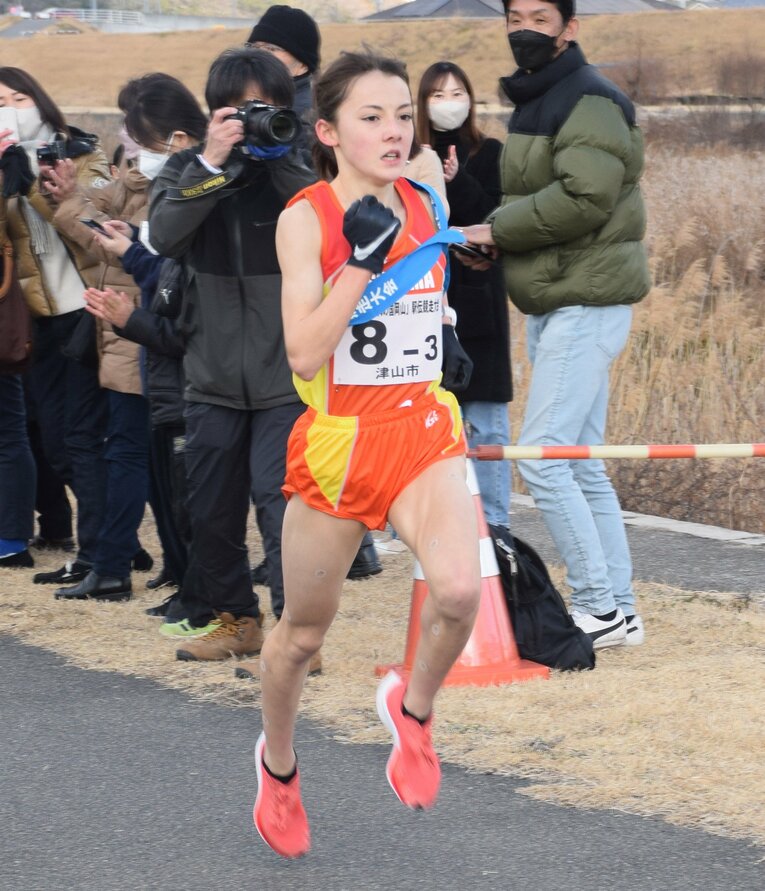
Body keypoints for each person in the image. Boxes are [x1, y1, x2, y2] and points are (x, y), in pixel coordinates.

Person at [253, 50, 482, 859]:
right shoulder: (304, 218)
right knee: (301, 638)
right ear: (327, 131)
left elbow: (433, 279)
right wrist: (359, 257)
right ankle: (278, 765)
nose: (393, 132)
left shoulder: (424, 193)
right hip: (340, 440)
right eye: (370, 117)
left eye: (400, 115)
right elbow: (305, 353)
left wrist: (444, 331)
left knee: (458, 592)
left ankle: (412, 710)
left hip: (420, 426)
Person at [461, 0, 650, 650]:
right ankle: (620, 612)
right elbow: (536, 198)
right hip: (558, 300)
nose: (524, 30)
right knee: (580, 462)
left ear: (570, 27)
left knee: (542, 457)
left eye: (539, 17)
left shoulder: (589, 98)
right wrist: (496, 240)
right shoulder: (539, 100)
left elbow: (585, 196)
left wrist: (497, 228)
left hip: (586, 300)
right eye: (514, 16)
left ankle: (595, 606)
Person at [148, 48, 316, 662]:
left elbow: (333, 224)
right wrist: (213, 164)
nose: (252, 118)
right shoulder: (187, 168)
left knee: (282, 508)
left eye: (264, 105)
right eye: (239, 107)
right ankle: (235, 620)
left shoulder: (299, 167)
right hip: (211, 374)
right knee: (211, 510)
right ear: (215, 110)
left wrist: (276, 162)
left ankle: (297, 635)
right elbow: (164, 234)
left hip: (284, 375)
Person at [246, 6, 383, 586]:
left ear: (299, 60)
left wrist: (274, 154)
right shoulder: (264, 115)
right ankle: (347, 547)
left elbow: (318, 194)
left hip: (329, 275)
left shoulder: (305, 118)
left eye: (271, 51)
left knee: (324, 414)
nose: (260, 60)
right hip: (295, 273)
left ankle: (350, 547)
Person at [75, 74, 209, 618]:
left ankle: (207, 598)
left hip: (183, 361)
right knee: (169, 481)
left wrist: (132, 307)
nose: (133, 157)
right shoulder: (171, 188)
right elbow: (166, 275)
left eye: (140, 142)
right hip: (156, 351)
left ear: (176, 138)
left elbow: (186, 300)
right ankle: (189, 586)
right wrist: (132, 250)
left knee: (193, 489)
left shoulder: (198, 192)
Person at [0, 67, 111, 587]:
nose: (10, 109)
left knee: (85, 437)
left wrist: (41, 189)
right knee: (58, 442)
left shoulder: (81, 152)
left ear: (40, 101)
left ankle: (103, 550)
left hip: (89, 310)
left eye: (18, 97)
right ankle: (109, 543)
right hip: (40, 318)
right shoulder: (4, 164)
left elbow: (98, 226)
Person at [417, 61, 512, 534]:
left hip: (479, 304)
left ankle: (495, 523)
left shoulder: (490, 151)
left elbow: (497, 220)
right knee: (423, 420)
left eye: (457, 93)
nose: (448, 102)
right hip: (424, 305)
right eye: (437, 94)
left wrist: (458, 179)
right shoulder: (408, 155)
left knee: (488, 424)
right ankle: (419, 521)